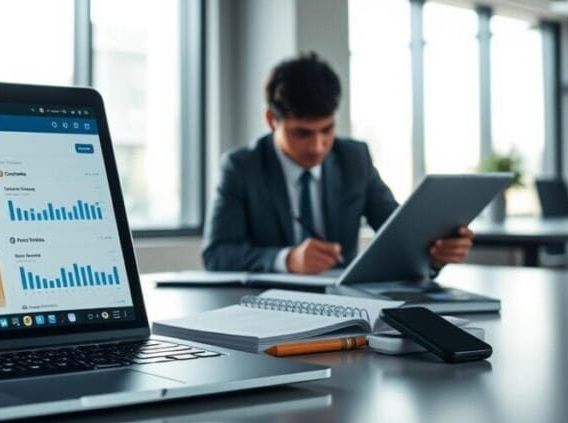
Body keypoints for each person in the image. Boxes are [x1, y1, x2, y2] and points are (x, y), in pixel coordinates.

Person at [202, 52, 474, 275]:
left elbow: (397, 231)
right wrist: (287, 259)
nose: (317, 146)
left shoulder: (354, 158)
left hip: (343, 304)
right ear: (271, 120)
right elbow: (217, 254)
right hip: (262, 305)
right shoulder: (241, 166)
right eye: (302, 133)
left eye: (327, 129)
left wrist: (434, 252)